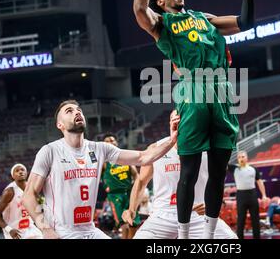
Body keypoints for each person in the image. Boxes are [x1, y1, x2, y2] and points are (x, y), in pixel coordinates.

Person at [134, 0, 263, 239]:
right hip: (193, 90)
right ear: (161, 2)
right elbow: (140, 8)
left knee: (218, 171)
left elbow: (245, 21)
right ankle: (183, 236)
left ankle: (206, 237)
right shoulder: (162, 23)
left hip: (222, 91)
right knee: (189, 172)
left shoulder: (204, 19)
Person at [22, 99, 179, 239]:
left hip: (90, 230)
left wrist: (172, 141)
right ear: (59, 125)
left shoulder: (100, 149)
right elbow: (29, 195)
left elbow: (143, 157)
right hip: (61, 233)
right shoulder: (50, 151)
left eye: (79, 110)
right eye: (69, 111)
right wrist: (44, 228)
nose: (77, 112)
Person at [122, 111, 237, 239]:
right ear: (170, 122)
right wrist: (131, 209)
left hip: (197, 215)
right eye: (174, 118)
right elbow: (141, 182)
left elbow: (217, 181)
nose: (178, 121)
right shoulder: (155, 148)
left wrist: (212, 206)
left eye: (182, 117)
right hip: (162, 215)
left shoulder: (209, 149)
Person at [102, 133, 141, 239]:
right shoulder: (104, 162)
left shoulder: (125, 158)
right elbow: (95, 177)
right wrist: (105, 186)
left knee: (133, 224)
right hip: (115, 195)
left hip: (129, 193)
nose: (110, 142)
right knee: (123, 225)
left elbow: (136, 175)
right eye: (107, 141)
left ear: (116, 142)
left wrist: (137, 187)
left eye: (112, 140)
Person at [0, 164, 43, 239]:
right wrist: (9, 230)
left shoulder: (31, 188)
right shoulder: (9, 192)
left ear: (26, 173)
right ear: (13, 176)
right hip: (14, 231)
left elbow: (39, 206)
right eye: (17, 171)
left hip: (30, 228)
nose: (20, 172)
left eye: (22, 170)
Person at [229, 151, 269, 239]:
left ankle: (257, 237)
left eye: (243, 157)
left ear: (246, 158)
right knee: (241, 219)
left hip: (252, 194)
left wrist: (264, 195)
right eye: (239, 157)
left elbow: (259, 182)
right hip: (241, 195)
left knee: (255, 218)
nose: (241, 159)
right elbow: (223, 163)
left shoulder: (253, 169)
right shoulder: (234, 169)